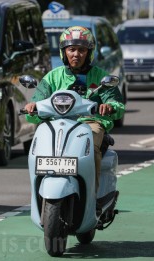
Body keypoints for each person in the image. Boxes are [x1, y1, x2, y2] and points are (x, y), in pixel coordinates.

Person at [24, 26, 125, 192]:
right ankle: (38, 192)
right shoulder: (52, 77)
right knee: (39, 147)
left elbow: (118, 106)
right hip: (57, 124)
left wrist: (109, 107)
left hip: (90, 124)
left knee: (90, 148)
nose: (76, 54)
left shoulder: (101, 77)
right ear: (64, 52)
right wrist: (32, 107)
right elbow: (35, 110)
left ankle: (92, 195)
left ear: (89, 53)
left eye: (81, 50)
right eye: (71, 49)